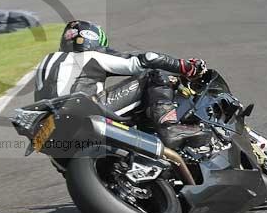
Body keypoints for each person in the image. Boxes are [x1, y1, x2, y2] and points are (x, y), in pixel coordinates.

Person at [34, 20, 210, 149]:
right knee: (153, 74)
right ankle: (169, 128)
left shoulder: (45, 63)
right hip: (84, 111)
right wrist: (188, 68)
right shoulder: (90, 56)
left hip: (48, 128)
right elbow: (148, 59)